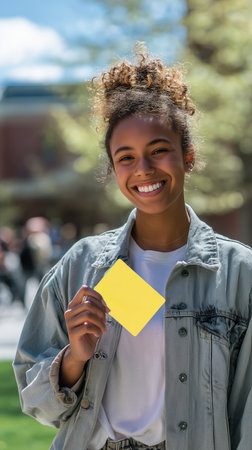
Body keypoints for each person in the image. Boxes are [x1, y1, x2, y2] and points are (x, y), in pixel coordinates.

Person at [13, 45, 252, 450]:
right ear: (113, 169)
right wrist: (74, 358)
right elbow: (36, 404)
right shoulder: (82, 265)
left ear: (187, 156)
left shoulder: (240, 274)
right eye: (126, 157)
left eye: (159, 150)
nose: (143, 168)